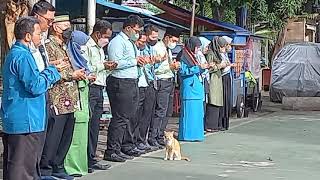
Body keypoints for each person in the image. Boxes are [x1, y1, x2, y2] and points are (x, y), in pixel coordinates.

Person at [1, 17, 61, 180]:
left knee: (17, 166)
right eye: (38, 34)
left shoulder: (16, 53)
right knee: (22, 170)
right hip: (26, 120)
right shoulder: (23, 56)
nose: (40, 37)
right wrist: (52, 72)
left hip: (21, 118)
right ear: (28, 36)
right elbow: (35, 86)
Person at [40, 14, 86, 180]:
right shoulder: (47, 45)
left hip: (71, 96)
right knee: (54, 134)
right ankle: (46, 169)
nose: (69, 30)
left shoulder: (66, 45)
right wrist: (71, 75)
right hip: (57, 96)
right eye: (65, 26)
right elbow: (50, 69)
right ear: (55, 27)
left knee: (66, 134)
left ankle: (59, 166)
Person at [104, 15, 144, 162]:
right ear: (128, 28)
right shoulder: (117, 42)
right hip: (120, 81)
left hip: (132, 81)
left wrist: (138, 62)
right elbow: (114, 63)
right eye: (136, 30)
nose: (137, 33)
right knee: (120, 117)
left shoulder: (131, 43)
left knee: (129, 116)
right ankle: (112, 149)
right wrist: (134, 61)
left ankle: (124, 145)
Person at [82, 20, 116, 173]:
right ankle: (85, 159)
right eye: (105, 36)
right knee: (88, 125)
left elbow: (101, 69)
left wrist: (109, 68)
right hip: (90, 88)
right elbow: (86, 67)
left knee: (95, 125)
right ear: (97, 34)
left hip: (100, 87)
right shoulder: (86, 46)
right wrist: (103, 66)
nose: (107, 40)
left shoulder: (100, 49)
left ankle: (91, 157)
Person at [63, 30, 96, 177]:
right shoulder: (68, 57)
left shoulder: (81, 59)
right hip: (72, 101)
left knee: (82, 137)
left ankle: (81, 165)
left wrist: (88, 77)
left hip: (84, 100)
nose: (82, 49)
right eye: (80, 46)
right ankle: (70, 166)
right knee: (73, 137)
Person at [148, 28, 181, 147]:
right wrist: (170, 67)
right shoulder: (157, 48)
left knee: (168, 111)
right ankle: (153, 136)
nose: (174, 43)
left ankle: (161, 134)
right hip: (162, 80)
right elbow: (155, 68)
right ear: (167, 37)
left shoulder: (167, 49)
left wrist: (174, 67)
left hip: (170, 80)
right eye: (173, 40)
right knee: (160, 110)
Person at [134, 25, 160, 152]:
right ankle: (136, 141)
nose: (144, 43)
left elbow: (151, 67)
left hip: (149, 82)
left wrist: (154, 61)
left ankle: (142, 140)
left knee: (147, 114)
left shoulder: (149, 48)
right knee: (137, 115)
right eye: (142, 41)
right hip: (139, 84)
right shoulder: (137, 50)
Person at [177, 36, 207, 141]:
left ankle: (196, 135)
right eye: (197, 47)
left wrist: (204, 68)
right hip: (189, 88)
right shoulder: (183, 56)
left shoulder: (192, 56)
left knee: (197, 114)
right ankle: (187, 135)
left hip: (196, 87)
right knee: (189, 114)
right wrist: (198, 68)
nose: (198, 49)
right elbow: (183, 71)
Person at [205, 37, 229, 132]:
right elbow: (209, 68)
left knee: (218, 102)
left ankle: (216, 125)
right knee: (213, 102)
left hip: (218, 80)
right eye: (221, 47)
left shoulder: (217, 54)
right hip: (213, 80)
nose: (222, 49)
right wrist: (220, 66)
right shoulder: (211, 54)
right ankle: (210, 125)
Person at [30, 0, 55, 71]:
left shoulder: (41, 37)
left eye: (52, 21)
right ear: (36, 16)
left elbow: (39, 64)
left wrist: (53, 65)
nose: (50, 24)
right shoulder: (26, 38)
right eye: (48, 20)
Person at [197, 37, 211, 128]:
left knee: (204, 104)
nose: (207, 49)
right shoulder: (198, 54)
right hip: (200, 80)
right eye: (206, 47)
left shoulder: (202, 55)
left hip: (204, 80)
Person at [221, 35, 234, 130]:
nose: (229, 46)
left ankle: (226, 122)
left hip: (227, 77)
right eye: (228, 44)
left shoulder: (225, 54)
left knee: (227, 99)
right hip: (223, 78)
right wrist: (227, 65)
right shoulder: (220, 54)